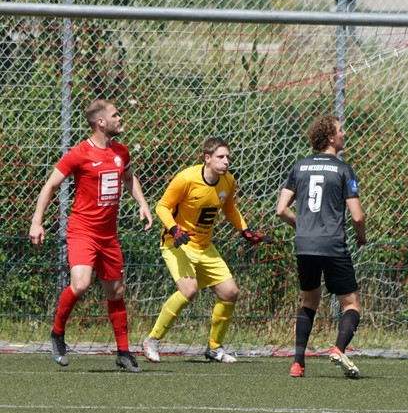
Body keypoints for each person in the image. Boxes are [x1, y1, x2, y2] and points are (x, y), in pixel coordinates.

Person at [29, 99, 154, 372]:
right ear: (101, 122)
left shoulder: (121, 151)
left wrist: (143, 204)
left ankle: (123, 352)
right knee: (81, 283)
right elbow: (50, 185)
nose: (120, 118)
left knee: (116, 292)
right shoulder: (79, 153)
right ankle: (57, 334)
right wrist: (37, 222)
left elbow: (129, 178)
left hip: (108, 235)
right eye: (115, 115)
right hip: (82, 231)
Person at [142, 137, 270, 364]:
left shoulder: (228, 181)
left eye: (228, 157)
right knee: (189, 289)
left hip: (204, 246)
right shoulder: (186, 178)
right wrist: (174, 229)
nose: (226, 161)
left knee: (230, 292)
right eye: (221, 157)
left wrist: (245, 230)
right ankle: (152, 340)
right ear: (207, 158)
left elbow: (229, 208)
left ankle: (214, 348)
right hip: (176, 243)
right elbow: (162, 206)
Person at [276, 115, 367, 379]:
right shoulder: (343, 169)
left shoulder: (299, 166)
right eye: (340, 130)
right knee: (351, 304)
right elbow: (357, 216)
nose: (344, 134)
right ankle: (338, 348)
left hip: (304, 244)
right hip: (332, 243)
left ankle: (297, 363)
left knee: (309, 301)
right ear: (330, 138)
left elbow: (281, 209)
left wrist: (304, 227)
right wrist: (361, 236)